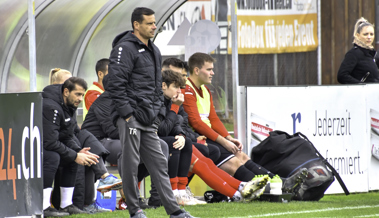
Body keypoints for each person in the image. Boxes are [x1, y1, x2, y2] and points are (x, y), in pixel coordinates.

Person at [107, 7, 196, 218]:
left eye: (155, 23)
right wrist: (128, 114)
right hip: (130, 117)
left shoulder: (154, 50)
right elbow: (116, 84)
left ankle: (174, 211)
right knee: (130, 164)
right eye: (149, 23)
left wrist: (155, 113)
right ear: (136, 25)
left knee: (159, 163)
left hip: (148, 119)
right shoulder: (124, 49)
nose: (154, 26)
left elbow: (158, 87)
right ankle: (134, 209)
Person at [182, 52, 308, 194]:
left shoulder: (205, 90)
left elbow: (213, 119)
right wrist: (224, 142)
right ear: (197, 70)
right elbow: (196, 123)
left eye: (212, 69)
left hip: (209, 137)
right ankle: (268, 190)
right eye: (209, 69)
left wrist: (228, 138)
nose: (213, 73)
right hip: (198, 139)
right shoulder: (187, 90)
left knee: (241, 155)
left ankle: (280, 182)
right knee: (234, 162)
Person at [161, 69, 269, 202]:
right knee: (202, 162)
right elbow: (170, 127)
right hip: (164, 143)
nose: (180, 90)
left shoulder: (185, 97)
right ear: (163, 85)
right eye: (176, 86)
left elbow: (181, 123)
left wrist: (182, 135)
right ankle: (236, 194)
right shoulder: (165, 100)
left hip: (182, 140)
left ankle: (240, 187)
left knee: (207, 161)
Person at [81, 74, 170, 210]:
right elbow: (112, 131)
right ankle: (132, 198)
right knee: (127, 150)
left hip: (118, 138)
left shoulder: (124, 100)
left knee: (161, 145)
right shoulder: (105, 101)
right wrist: (138, 133)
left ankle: (157, 197)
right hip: (98, 142)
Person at [42, 77, 100, 217]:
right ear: (66, 91)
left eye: (82, 95)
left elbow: (67, 135)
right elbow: (49, 142)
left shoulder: (68, 105)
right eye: (78, 94)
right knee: (54, 157)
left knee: (71, 157)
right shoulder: (51, 106)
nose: (80, 99)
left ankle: (66, 205)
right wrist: (75, 155)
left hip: (48, 145)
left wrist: (77, 151)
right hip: (33, 149)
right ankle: (44, 207)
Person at [337, 17, 379, 84]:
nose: (369, 37)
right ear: (357, 35)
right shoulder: (354, 53)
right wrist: (360, 86)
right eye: (365, 34)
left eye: (371, 34)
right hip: (361, 93)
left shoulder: (373, 55)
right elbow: (342, 75)